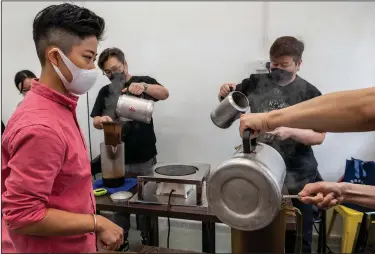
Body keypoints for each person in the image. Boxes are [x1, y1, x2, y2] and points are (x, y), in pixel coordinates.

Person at [1, 3, 124, 252]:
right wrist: (95, 222)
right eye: (88, 58)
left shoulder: (59, 107)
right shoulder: (42, 126)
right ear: (55, 56)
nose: (92, 69)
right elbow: (22, 214)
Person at [218, 36, 325, 253]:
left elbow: (319, 136)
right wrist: (222, 93)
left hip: (299, 173)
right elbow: (229, 103)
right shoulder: (256, 82)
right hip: (260, 170)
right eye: (274, 64)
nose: (278, 70)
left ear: (299, 63)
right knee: (258, 231)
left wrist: (290, 132)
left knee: (298, 239)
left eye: (284, 65)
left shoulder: (310, 93)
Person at [239, 87, 375, 209]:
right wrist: (344, 191)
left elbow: (366, 109)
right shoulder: (257, 82)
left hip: (301, 170)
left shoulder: (308, 90)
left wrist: (267, 120)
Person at [90, 47, 169, 248]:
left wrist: (143, 87)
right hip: (116, 159)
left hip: (144, 158)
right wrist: (102, 120)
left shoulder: (142, 80)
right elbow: (95, 119)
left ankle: (147, 241)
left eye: (116, 68)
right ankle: (120, 241)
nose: (113, 74)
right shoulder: (105, 92)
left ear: (125, 64)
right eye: (108, 72)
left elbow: (164, 93)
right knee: (119, 206)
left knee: (146, 205)